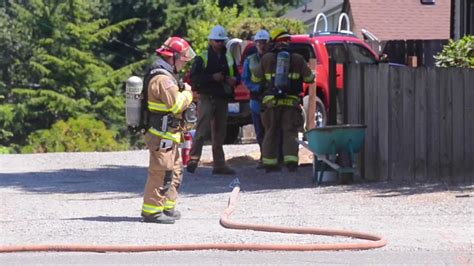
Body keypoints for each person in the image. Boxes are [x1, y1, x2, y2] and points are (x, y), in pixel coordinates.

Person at [141, 37, 196, 224]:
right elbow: (176, 105)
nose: (184, 63)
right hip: (160, 134)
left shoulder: (168, 75)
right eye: (183, 59)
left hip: (169, 134)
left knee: (175, 170)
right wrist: (188, 93)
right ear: (172, 57)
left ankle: (167, 206)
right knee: (161, 171)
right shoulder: (163, 79)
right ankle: (152, 211)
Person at [252, 26, 315, 173]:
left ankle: (269, 163)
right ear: (288, 41)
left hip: (271, 103)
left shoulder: (267, 58)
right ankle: (291, 163)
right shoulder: (298, 59)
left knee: (270, 131)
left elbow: (255, 78)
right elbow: (309, 78)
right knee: (290, 132)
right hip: (291, 102)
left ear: (274, 42)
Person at [186, 25, 241, 175]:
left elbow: (238, 77)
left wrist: (233, 80)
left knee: (220, 132)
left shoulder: (228, 57)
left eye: (221, 41)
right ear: (211, 41)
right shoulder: (202, 57)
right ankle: (193, 160)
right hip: (207, 97)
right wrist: (212, 77)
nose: (219, 43)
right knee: (202, 129)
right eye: (217, 41)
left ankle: (219, 165)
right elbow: (194, 78)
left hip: (222, 98)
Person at [242, 30, 270, 169]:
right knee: (260, 131)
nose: (262, 45)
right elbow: (245, 79)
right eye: (259, 43)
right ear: (256, 44)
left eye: (264, 42)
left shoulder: (273, 58)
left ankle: (273, 157)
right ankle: (263, 156)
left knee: (272, 129)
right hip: (256, 99)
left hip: (271, 99)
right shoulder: (250, 60)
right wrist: (256, 88)